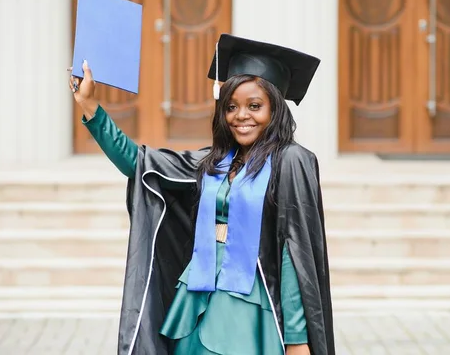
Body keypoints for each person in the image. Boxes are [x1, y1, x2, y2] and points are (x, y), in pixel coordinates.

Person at [68, 34, 335, 355]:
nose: (241, 115)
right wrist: (90, 105)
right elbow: (137, 162)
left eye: (255, 106)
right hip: (200, 290)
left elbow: (295, 252)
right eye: (231, 106)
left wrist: (296, 338)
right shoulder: (212, 161)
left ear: (275, 110)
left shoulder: (291, 160)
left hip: (253, 296)